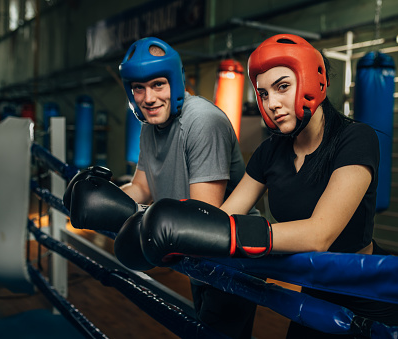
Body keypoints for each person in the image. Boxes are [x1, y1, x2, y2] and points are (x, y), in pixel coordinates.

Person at [115, 34, 398, 337]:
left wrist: (228, 235)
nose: (272, 103)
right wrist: (176, 236)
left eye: (283, 87)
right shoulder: (270, 152)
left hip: (368, 291)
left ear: (312, 81)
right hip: (315, 286)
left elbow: (320, 234)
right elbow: (223, 217)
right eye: (264, 93)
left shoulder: (355, 139)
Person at [63, 37, 259, 339]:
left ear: (175, 81)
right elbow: (142, 186)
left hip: (231, 256)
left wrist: (147, 222)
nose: (148, 98)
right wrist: (105, 198)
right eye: (138, 89)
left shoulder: (203, 122)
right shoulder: (148, 125)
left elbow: (205, 213)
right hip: (195, 252)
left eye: (157, 85)